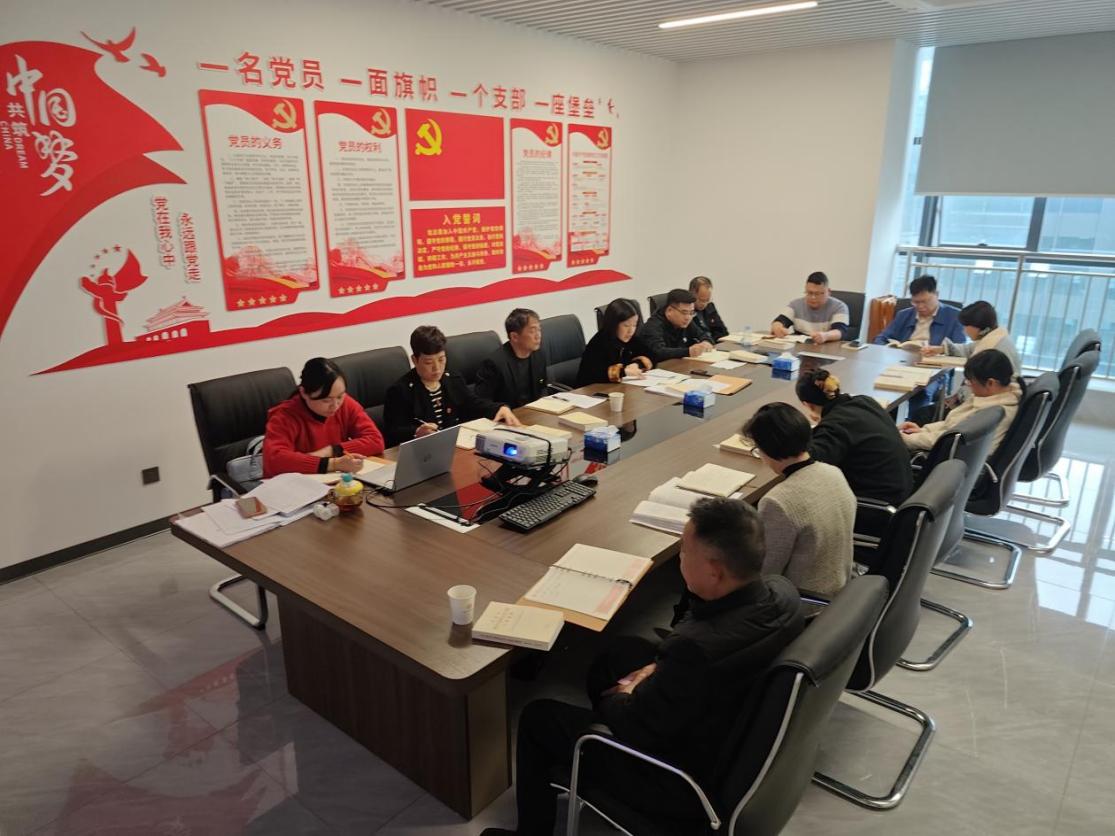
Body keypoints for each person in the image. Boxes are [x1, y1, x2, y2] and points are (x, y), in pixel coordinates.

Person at [481, 498, 803, 836]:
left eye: (684, 551)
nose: (680, 557)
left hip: (677, 779)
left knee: (538, 718)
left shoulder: (692, 650)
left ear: (714, 571)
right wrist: (656, 669)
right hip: (720, 715)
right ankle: (584, 760)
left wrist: (626, 693)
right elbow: (694, 658)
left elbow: (637, 722)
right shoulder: (783, 594)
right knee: (620, 654)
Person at [743, 403, 855, 597]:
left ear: (767, 449)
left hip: (802, 602)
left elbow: (765, 574)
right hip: (840, 590)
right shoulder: (833, 472)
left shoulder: (778, 502)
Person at [382, 325, 521, 448]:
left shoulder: (452, 378)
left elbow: (472, 403)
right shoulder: (401, 390)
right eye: (428, 362)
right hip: (423, 452)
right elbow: (392, 432)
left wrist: (499, 408)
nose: (437, 368)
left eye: (441, 359)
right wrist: (416, 432)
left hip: (455, 446)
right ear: (415, 360)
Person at [796, 368, 913, 506]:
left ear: (808, 405)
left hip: (878, 505)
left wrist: (820, 427)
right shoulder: (865, 401)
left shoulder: (834, 426)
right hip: (903, 491)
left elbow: (809, 464)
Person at [262, 357, 385, 477]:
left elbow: (376, 440)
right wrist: (332, 464)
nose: (335, 405)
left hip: (334, 481)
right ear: (304, 393)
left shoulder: (346, 404)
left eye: (340, 396)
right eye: (326, 400)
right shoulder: (284, 416)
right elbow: (274, 460)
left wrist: (332, 451)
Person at [900, 349, 1021, 454]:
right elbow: (951, 426)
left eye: (971, 382)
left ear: (990, 383)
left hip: (948, 459)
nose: (969, 386)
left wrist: (907, 439)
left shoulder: (993, 413)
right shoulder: (992, 398)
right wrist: (923, 431)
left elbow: (950, 440)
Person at [474, 308, 549, 408]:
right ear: (514, 337)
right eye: (532, 331)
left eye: (539, 330)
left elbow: (542, 387)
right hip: (509, 415)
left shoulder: (539, 354)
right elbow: (481, 402)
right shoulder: (494, 364)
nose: (538, 336)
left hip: (535, 412)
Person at [576, 298, 654, 386]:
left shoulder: (631, 338)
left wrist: (637, 364)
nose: (631, 331)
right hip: (593, 390)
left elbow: (651, 355)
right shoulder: (599, 343)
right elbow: (594, 374)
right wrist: (623, 371)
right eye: (626, 325)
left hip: (621, 388)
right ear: (614, 324)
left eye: (634, 325)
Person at [873, 275, 966, 347]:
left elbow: (959, 347)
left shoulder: (955, 316)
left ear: (936, 294)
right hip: (904, 358)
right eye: (916, 302)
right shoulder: (904, 315)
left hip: (935, 362)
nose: (920, 306)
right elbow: (881, 338)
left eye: (925, 301)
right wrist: (888, 348)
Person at [771, 271, 849, 344]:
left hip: (827, 347)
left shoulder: (839, 307)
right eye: (809, 293)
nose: (813, 297)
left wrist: (825, 336)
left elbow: (840, 331)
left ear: (828, 292)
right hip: (800, 347)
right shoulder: (795, 305)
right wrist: (777, 327)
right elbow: (780, 320)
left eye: (817, 294)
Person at [637, 288, 715, 362]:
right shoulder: (653, 326)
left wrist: (706, 342)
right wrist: (688, 352)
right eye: (684, 312)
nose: (688, 317)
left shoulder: (685, 321)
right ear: (669, 310)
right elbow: (659, 352)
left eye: (691, 313)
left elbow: (703, 334)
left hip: (679, 365)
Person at [689, 275, 729, 342]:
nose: (704, 304)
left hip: (714, 344)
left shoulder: (710, 306)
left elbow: (723, 331)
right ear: (692, 294)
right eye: (701, 300)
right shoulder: (686, 312)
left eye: (707, 300)